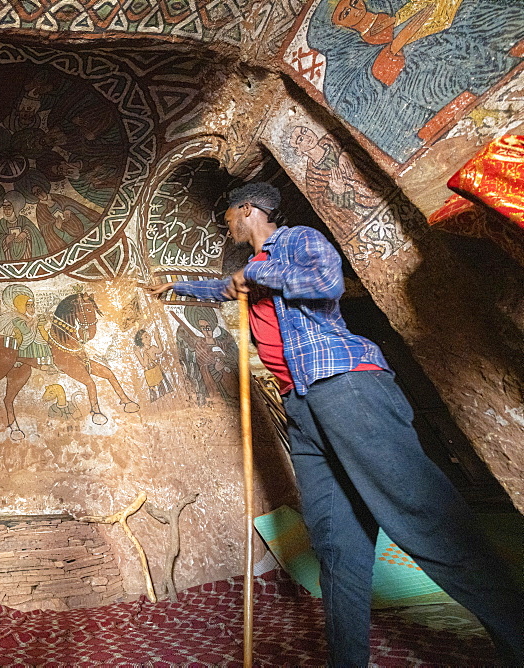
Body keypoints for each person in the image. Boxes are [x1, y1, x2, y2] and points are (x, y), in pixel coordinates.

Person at [145, 181, 524, 667]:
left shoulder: (297, 240)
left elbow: (328, 283)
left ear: (247, 210)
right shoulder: (257, 269)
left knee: (420, 519)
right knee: (336, 543)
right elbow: (224, 288)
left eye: (229, 217)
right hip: (301, 406)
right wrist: (176, 287)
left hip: (346, 383)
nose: (228, 226)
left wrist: (260, 274)